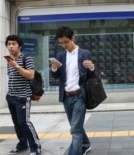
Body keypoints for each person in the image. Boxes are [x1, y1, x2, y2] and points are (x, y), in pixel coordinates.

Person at [50, 26, 95, 155]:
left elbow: (91, 76)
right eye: (61, 43)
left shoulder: (84, 53)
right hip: (66, 96)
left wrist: (92, 67)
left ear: (72, 38)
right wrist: (54, 68)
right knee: (75, 125)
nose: (64, 45)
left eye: (66, 42)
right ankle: (85, 144)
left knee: (75, 129)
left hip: (79, 94)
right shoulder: (60, 55)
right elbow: (56, 76)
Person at [4, 35, 41, 155]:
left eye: (13, 44)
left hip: (22, 97)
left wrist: (17, 66)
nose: (10, 46)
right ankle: (22, 143)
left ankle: (35, 147)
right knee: (17, 124)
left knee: (25, 122)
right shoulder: (9, 60)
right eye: (9, 44)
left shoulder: (27, 59)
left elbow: (30, 75)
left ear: (19, 46)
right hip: (11, 96)